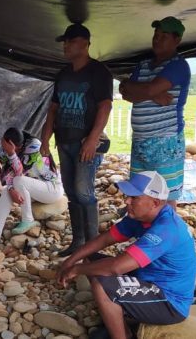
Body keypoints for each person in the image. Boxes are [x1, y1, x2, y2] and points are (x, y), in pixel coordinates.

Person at [57, 171, 196, 339]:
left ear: (155, 202)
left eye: (134, 198)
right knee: (90, 261)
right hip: (147, 279)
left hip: (170, 302)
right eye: (128, 196)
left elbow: (116, 268)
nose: (127, 201)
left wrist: (77, 269)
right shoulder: (139, 216)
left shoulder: (166, 229)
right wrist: (72, 260)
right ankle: (121, 319)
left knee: (102, 287)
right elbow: (105, 239)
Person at [40, 23, 113, 257]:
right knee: (71, 192)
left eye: (69, 41)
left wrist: (92, 140)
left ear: (84, 43)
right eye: (65, 42)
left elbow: (105, 106)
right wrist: (45, 140)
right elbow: (53, 109)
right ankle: (78, 242)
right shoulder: (63, 74)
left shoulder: (99, 72)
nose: (65, 46)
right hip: (64, 141)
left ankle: (92, 247)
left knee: (84, 192)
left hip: (85, 144)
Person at [119, 16, 191, 207]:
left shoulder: (178, 65)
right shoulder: (143, 65)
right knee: (140, 193)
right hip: (140, 141)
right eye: (155, 35)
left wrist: (145, 91)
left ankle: (167, 234)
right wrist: (152, 93)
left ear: (177, 40)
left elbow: (143, 89)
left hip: (165, 142)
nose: (157, 40)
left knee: (165, 196)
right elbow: (124, 91)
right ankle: (146, 233)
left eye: (163, 36)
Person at [0, 128, 64, 247]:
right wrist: (11, 189)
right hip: (35, 188)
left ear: (16, 145)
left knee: (18, 181)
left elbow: (19, 173)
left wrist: (12, 153)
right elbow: (8, 175)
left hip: (52, 188)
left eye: (7, 147)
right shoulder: (12, 147)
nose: (4, 149)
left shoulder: (34, 147)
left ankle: (28, 220)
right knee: (7, 191)